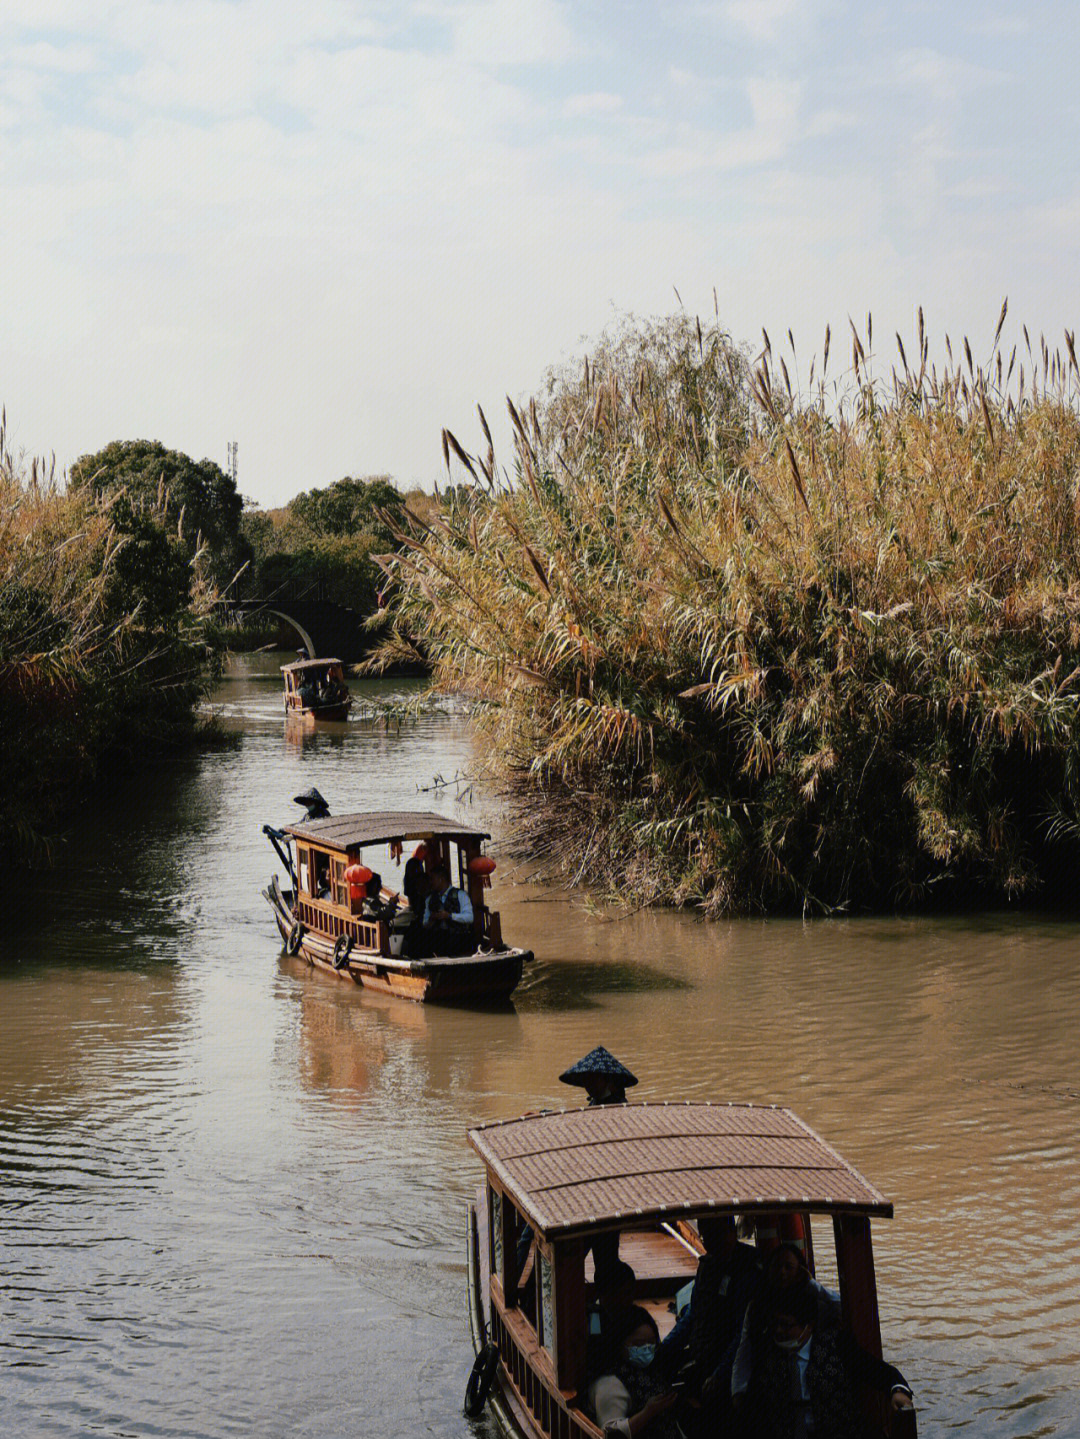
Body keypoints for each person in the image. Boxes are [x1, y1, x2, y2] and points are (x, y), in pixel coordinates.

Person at [737, 1282, 914, 1439]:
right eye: (775, 1324)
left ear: (809, 1326)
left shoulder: (837, 1345)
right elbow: (755, 1404)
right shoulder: (767, 1354)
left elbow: (879, 1372)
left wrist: (898, 1391)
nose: (778, 1331)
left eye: (786, 1325)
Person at [655, 1215, 759, 1424]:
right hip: (703, 1355)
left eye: (719, 1234)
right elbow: (694, 1314)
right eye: (707, 1236)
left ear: (732, 1232)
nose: (713, 1242)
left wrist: (720, 1374)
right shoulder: (707, 1266)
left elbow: (744, 1332)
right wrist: (662, 1352)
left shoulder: (748, 1269)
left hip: (733, 1362)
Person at [730, 1242, 840, 1402]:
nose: (782, 1272)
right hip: (769, 1382)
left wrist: (812, 1284)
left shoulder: (813, 1304)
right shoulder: (756, 1307)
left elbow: (844, 1307)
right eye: (776, 1266)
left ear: (799, 1272)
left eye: (789, 1267)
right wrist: (738, 1391)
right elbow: (745, 1350)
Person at [587, 1262, 659, 1434]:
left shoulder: (639, 1315)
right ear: (602, 1295)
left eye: (627, 1293)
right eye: (614, 1294)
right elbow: (597, 1352)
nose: (621, 1300)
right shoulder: (595, 1318)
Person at [602, 1315, 681, 1439]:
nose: (646, 1348)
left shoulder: (652, 1370)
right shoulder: (610, 1382)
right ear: (620, 1343)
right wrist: (647, 1413)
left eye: (651, 1342)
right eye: (638, 1344)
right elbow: (612, 1434)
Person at [406, 864, 473, 957]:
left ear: (440, 879)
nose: (430, 882)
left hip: (459, 937)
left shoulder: (461, 895)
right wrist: (431, 919)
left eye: (432, 879)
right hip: (438, 939)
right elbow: (425, 924)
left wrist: (449, 916)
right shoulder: (430, 899)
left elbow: (470, 917)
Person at [559, 1046, 638, 1106]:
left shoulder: (618, 1105)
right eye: (585, 1081)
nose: (588, 1086)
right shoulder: (593, 1104)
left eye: (593, 1081)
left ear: (608, 1081)